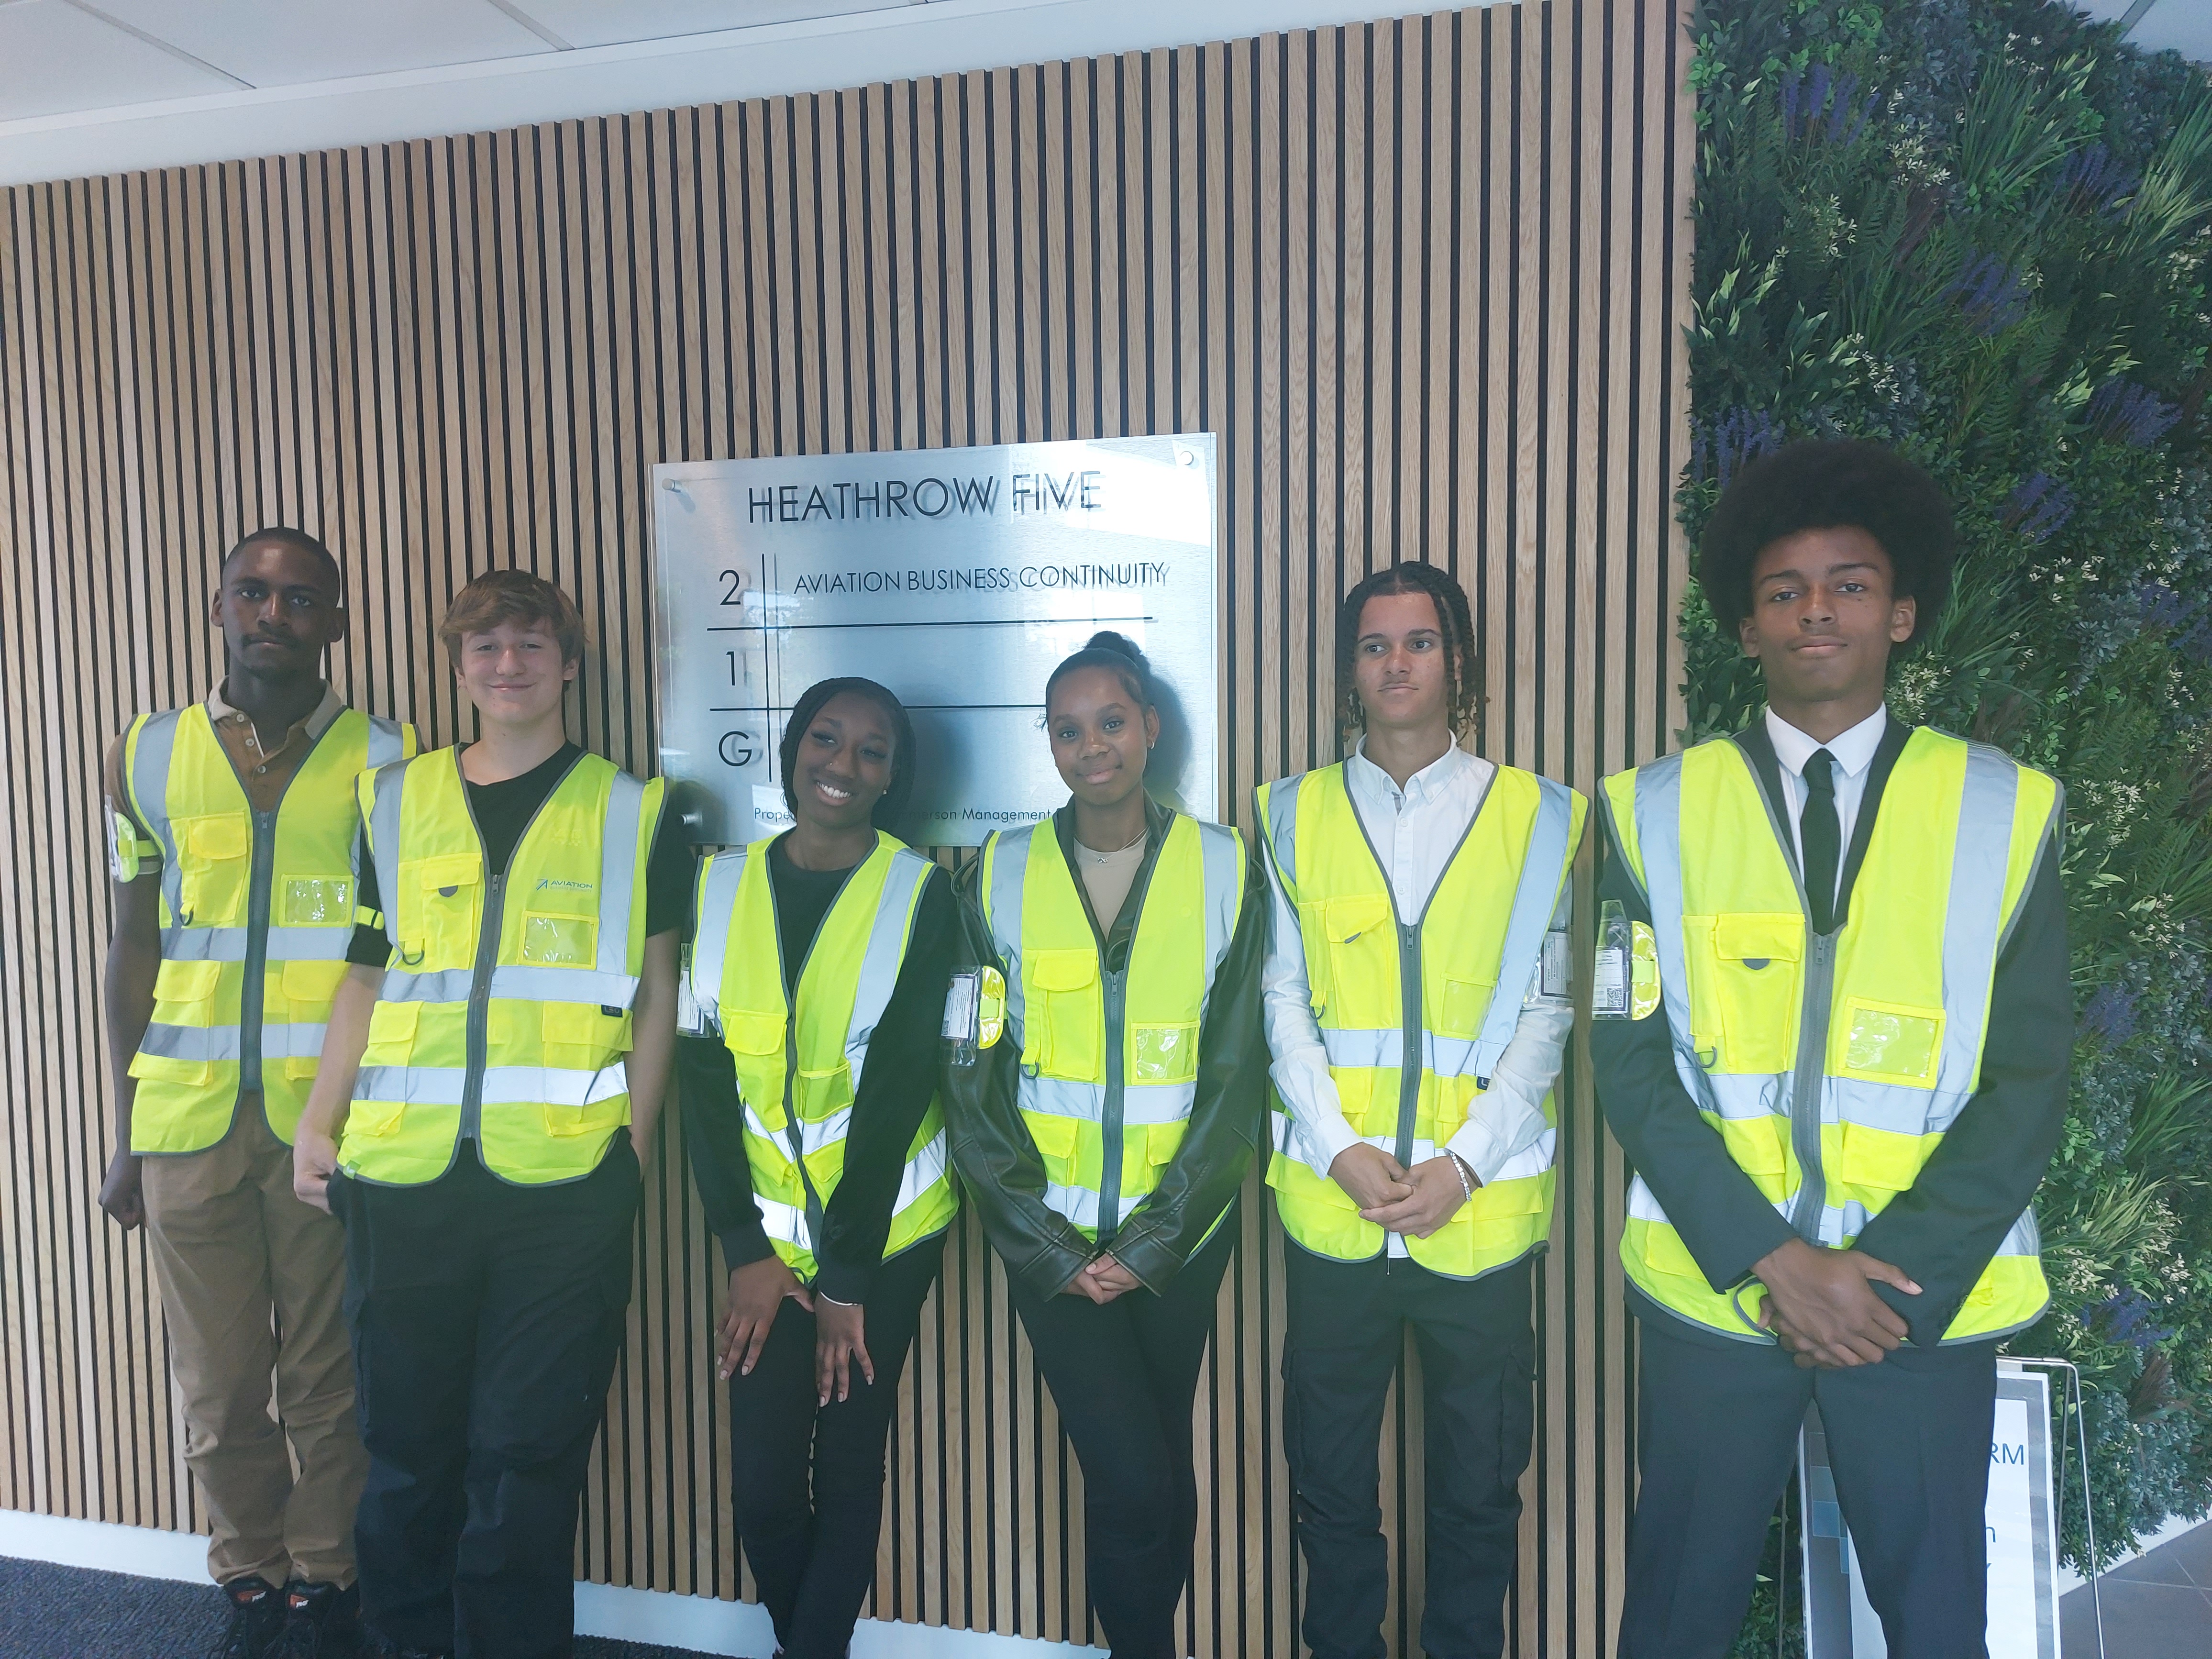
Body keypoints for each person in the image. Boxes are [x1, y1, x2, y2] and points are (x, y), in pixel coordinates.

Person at [1594, 440, 2070, 1658]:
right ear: (1742, 627)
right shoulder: (1644, 811)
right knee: (1675, 1613)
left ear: (1901, 612)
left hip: (1913, 1308)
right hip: (1718, 1297)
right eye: (1781, 591)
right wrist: (1772, 1259)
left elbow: (2025, 1078)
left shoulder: (2004, 807)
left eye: (1848, 584)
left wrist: (1881, 1278)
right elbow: (1629, 1062)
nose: (1815, 610)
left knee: (1931, 1619)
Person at [290, 569, 688, 1659]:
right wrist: (318, 1123)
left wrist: (632, 1151)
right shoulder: (394, 800)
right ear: (459, 668)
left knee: (527, 1458)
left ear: (569, 664)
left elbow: (658, 995)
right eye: (483, 648)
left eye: (528, 645)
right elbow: (364, 977)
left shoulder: (633, 809)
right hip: (404, 1180)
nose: (506, 665)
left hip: (564, 1190)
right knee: (407, 1451)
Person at [1260, 564, 1584, 1659]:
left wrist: (1464, 1164)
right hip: (1332, 1212)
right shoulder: (1289, 813)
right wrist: (1336, 1146)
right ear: (1347, 669)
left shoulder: (1539, 817)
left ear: (1460, 662)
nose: (1395, 664)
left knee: (1477, 1495)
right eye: (1372, 645)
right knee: (1331, 1490)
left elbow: (1549, 1012)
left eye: (1419, 642)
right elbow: (1279, 999)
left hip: (1478, 1222)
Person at [98, 527, 411, 1658]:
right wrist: (127, 1131)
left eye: (299, 599)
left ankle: (326, 1583)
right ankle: (249, 1580)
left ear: (335, 623)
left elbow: (396, 959)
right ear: (218, 607)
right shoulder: (145, 754)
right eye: (251, 592)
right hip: (184, 1125)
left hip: (325, 1130)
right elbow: (130, 948)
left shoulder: (390, 760)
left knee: (329, 1379)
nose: (271, 613)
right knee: (219, 1385)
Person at [943, 631, 1266, 1659]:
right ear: (1049, 743)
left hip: (1181, 1239)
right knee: (1131, 1477)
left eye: (1111, 723)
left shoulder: (1223, 866)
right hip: (1055, 1249)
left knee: (1158, 1472)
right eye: (1068, 730)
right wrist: (1042, 1244)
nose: (1093, 748)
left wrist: (1161, 1238)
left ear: (1150, 728)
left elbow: (1237, 1073)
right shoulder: (996, 872)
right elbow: (968, 1075)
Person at [679, 676, 960, 1659]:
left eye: (871, 751)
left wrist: (845, 1280)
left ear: (893, 778)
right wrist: (741, 1248)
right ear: (793, 749)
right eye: (826, 740)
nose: (842, 765)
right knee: (760, 1487)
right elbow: (701, 1082)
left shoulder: (920, 893)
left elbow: (891, 1100)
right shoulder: (717, 886)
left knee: (848, 1475)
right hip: (763, 1253)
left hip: (880, 1247)